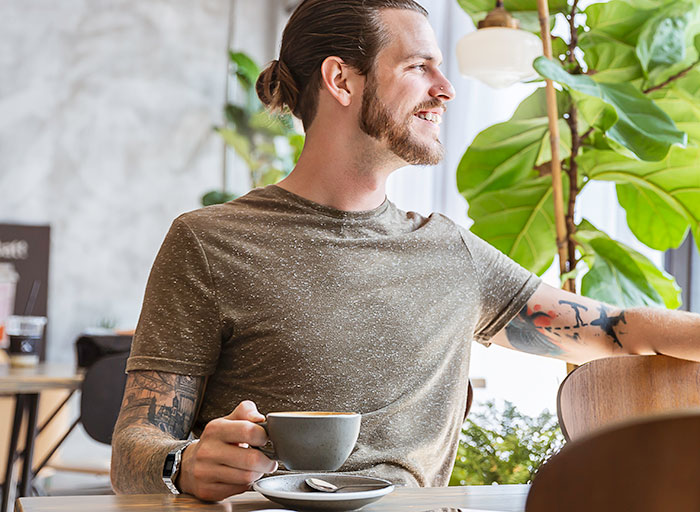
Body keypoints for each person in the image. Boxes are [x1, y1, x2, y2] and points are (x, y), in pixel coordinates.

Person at [110, 0, 700, 502]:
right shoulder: (209, 242)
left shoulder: (451, 252)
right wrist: (180, 465)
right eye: (419, 68)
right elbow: (135, 448)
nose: (444, 90)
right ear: (341, 80)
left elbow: (615, 328)